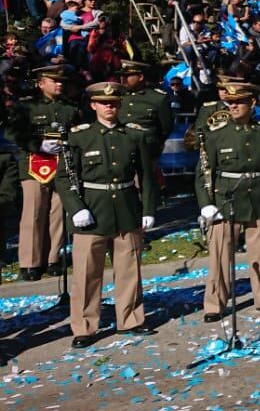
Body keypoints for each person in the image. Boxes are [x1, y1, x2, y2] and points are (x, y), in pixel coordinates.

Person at [56, 82, 158, 348]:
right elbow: (65, 178)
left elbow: (147, 176)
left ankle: (131, 319)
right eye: (104, 103)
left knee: (128, 271)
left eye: (113, 103)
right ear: (94, 105)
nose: (109, 107)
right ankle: (84, 326)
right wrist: (76, 208)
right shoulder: (79, 136)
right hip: (92, 210)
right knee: (87, 274)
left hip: (126, 208)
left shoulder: (133, 135)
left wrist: (148, 209)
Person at [196, 82, 260, 321]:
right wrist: (206, 203)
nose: (233, 106)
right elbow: (204, 172)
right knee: (220, 256)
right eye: (230, 102)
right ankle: (215, 304)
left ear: (252, 103)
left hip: (259, 197)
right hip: (226, 200)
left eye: (239, 102)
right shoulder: (216, 135)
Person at [8, 64, 80, 281]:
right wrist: (37, 144)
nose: (59, 84)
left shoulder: (71, 108)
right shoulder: (26, 107)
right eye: (54, 81)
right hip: (34, 164)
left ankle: (53, 258)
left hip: (63, 164)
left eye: (61, 81)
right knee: (34, 213)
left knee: (58, 213)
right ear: (41, 84)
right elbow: (13, 133)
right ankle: (30, 262)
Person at [118, 60, 174, 165]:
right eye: (121, 76)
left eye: (127, 76)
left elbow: (165, 127)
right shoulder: (118, 97)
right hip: (120, 148)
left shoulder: (158, 98)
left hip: (146, 149)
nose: (123, 79)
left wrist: (153, 144)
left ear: (140, 77)